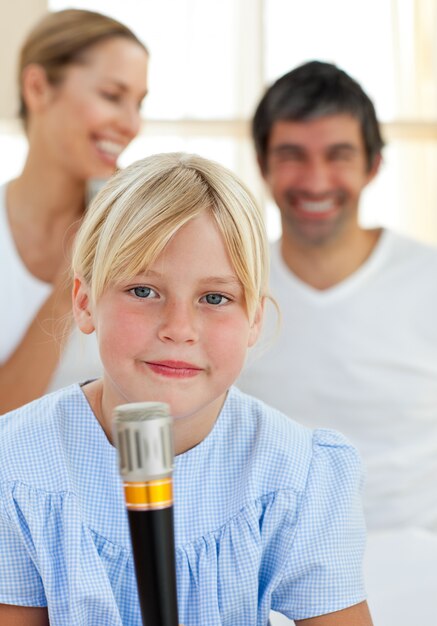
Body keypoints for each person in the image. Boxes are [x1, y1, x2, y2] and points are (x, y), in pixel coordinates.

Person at [0, 152, 373, 625]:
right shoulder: (14, 466)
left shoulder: (298, 473)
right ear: (84, 302)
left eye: (214, 298)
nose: (179, 328)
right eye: (143, 291)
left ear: (254, 319)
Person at [237, 60, 437, 534]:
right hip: (265, 567)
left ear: (373, 165)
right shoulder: (227, 286)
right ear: (263, 165)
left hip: (414, 560)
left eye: (338, 155)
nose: (316, 180)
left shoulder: (427, 278)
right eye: (292, 155)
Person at [0, 8, 149, 413]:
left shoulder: (132, 242)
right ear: (37, 88)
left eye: (138, 103)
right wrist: (75, 266)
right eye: (112, 96)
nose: (132, 124)